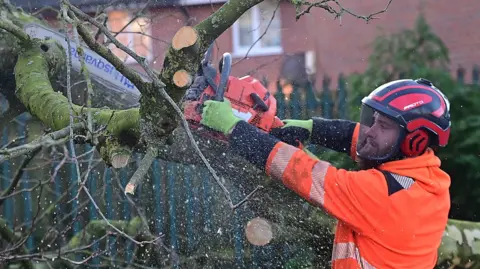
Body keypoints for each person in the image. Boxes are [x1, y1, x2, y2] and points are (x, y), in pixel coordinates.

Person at [199, 78, 452, 269]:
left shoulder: (382, 194)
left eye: (383, 125)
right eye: (372, 120)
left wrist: (234, 128)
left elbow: (303, 172)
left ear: (415, 141)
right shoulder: (429, 178)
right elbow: (362, 139)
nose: (370, 131)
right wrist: (312, 128)